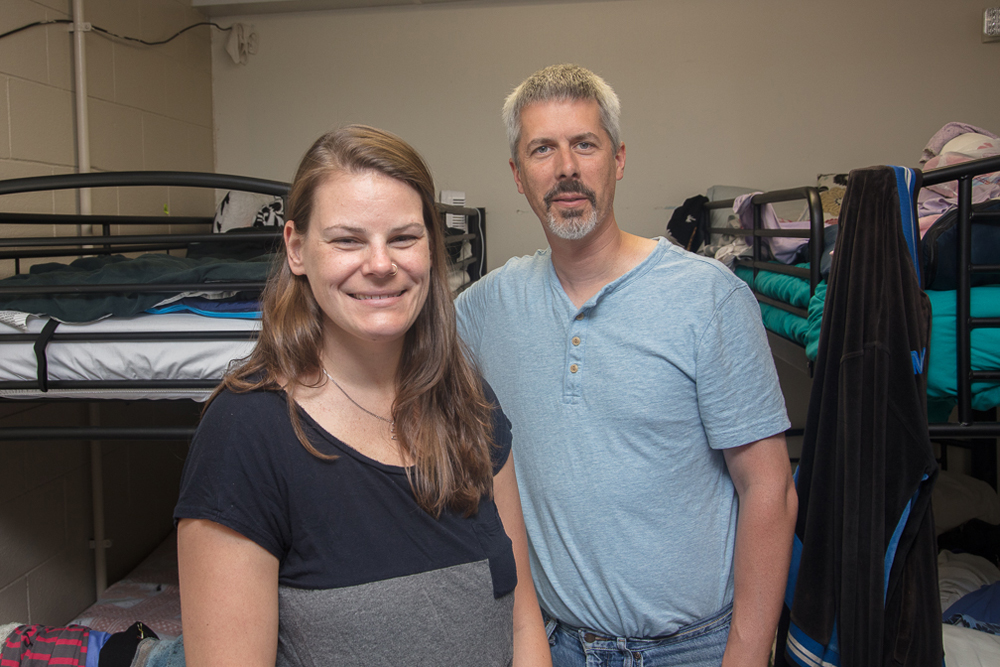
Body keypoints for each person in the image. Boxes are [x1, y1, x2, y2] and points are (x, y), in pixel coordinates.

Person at [455, 64, 798, 667]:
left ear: (617, 159)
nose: (566, 167)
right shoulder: (487, 307)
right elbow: (387, 359)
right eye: (542, 149)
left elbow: (768, 487)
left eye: (584, 144)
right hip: (553, 644)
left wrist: (747, 655)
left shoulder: (709, 298)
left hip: (695, 648)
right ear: (517, 175)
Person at [174, 125, 551, 667]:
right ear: (297, 249)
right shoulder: (246, 436)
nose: (380, 264)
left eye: (403, 237)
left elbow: (522, 620)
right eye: (348, 239)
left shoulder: (468, 402)